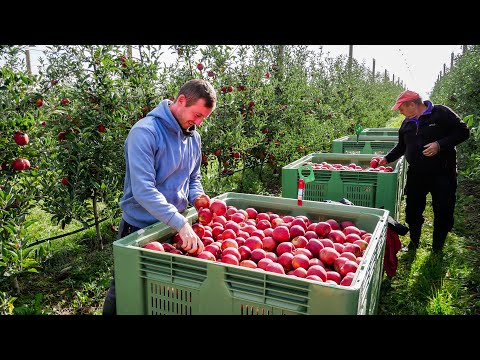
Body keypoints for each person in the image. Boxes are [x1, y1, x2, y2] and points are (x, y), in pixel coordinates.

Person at [102, 79, 217, 315]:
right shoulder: (145, 132)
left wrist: (199, 199)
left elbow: (193, 178)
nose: (198, 123)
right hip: (140, 229)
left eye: (203, 118)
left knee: (165, 293)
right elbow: (143, 190)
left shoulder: (193, 137)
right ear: (181, 100)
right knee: (126, 288)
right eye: (196, 115)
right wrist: (180, 222)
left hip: (173, 226)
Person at [376, 90, 469, 253]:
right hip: (417, 173)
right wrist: (386, 159)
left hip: (443, 173)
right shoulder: (407, 123)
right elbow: (401, 147)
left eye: (401, 108)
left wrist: (439, 145)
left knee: (443, 209)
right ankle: (414, 242)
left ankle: (437, 248)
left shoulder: (441, 113)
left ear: (412, 104)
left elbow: (463, 131)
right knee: (412, 209)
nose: (400, 112)